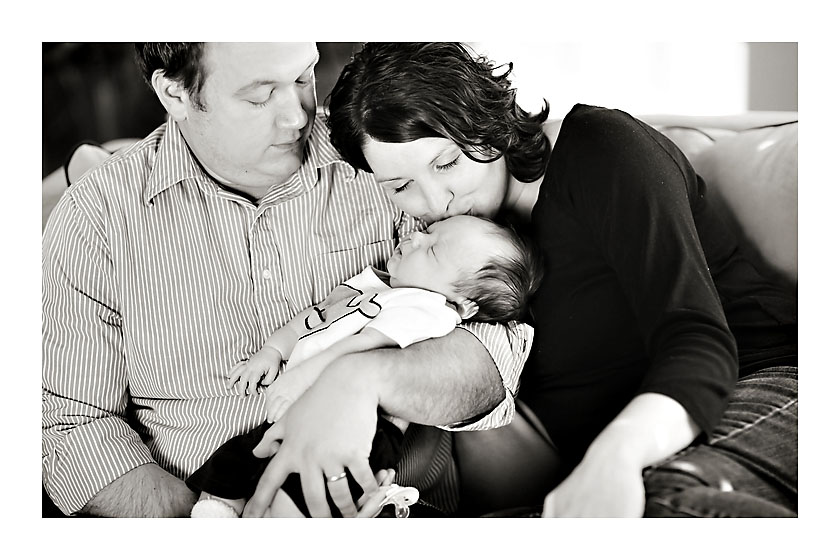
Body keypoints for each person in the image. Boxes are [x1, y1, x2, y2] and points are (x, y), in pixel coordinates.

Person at [299, 41, 798, 518]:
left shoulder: (601, 149)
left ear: (484, 124)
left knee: (659, 507)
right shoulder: (447, 247)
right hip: (600, 456)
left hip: (747, 386)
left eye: (446, 162)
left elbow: (696, 334)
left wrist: (618, 455)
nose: (435, 202)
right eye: (402, 185)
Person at [41, 42, 534, 518]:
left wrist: (362, 378)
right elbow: (70, 424)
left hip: (393, 504)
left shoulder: (379, 157)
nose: (298, 117)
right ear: (176, 93)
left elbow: (494, 349)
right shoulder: (97, 216)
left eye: (303, 77)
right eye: (260, 96)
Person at [188, 215, 541, 517]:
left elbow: (364, 344)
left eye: (432, 250)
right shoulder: (376, 287)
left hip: (357, 428)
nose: (415, 237)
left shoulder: (429, 308)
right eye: (428, 230)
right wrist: (273, 350)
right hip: (293, 411)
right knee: (230, 465)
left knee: (300, 496)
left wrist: (301, 377)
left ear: (462, 303)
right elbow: (316, 318)